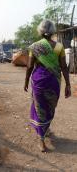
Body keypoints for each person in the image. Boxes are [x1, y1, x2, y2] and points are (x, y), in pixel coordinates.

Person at [24, 20, 71, 152]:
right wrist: (68, 84)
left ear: (40, 30)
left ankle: (41, 139)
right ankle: (44, 132)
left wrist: (26, 80)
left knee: (40, 108)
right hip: (54, 82)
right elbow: (64, 67)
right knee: (50, 107)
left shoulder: (34, 46)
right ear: (52, 31)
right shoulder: (59, 47)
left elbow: (29, 66)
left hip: (39, 81)